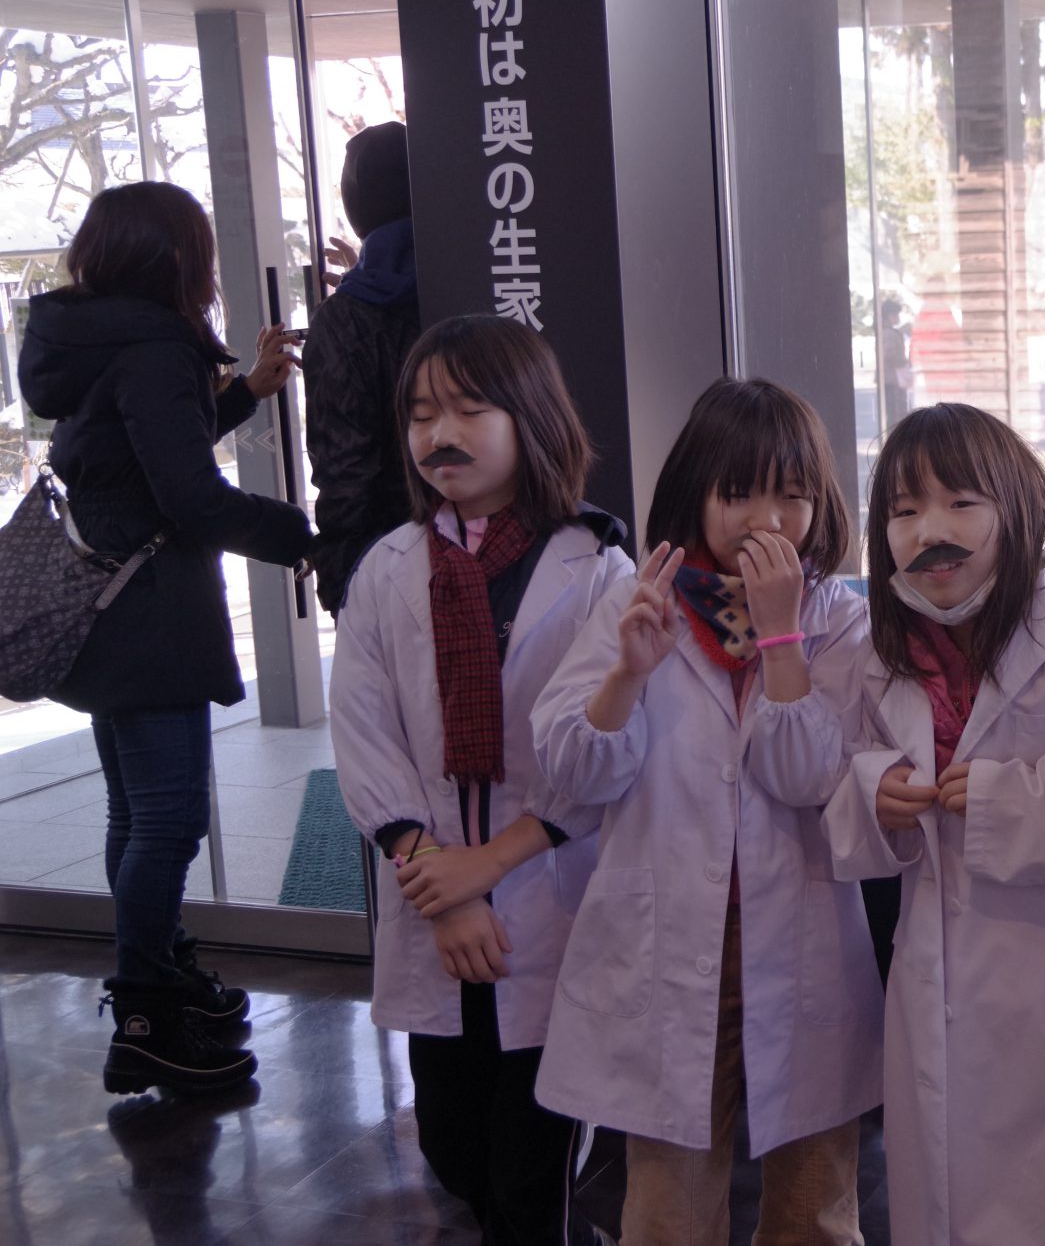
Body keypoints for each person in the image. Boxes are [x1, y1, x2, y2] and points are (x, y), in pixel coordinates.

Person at [823, 403, 1045, 1246]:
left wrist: (1007, 801)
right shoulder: (874, 649)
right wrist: (876, 795)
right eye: (905, 510)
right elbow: (829, 787)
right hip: (940, 998)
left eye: (960, 501)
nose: (930, 531)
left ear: (1017, 505)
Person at [530, 379, 878, 1246]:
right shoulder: (638, 601)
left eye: (790, 493)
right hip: (670, 940)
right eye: (739, 492)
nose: (767, 519)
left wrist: (781, 634)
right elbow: (572, 771)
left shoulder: (840, 618)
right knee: (669, 1213)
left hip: (798, 938)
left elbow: (806, 775)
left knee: (815, 1208)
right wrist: (627, 673)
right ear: (696, 493)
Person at [328, 315, 628, 1244]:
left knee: (532, 1172)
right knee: (453, 1146)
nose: (439, 434)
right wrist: (439, 877)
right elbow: (364, 731)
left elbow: (606, 748)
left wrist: (490, 866)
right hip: (432, 903)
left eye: (468, 408)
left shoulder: (598, 568)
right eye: (421, 414)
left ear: (531, 416)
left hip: (546, 892)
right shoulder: (388, 568)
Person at [17, 181, 311, 1092]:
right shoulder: (154, 347)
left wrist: (243, 393)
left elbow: (138, 446)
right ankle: (145, 1013)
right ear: (178, 257)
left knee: (134, 814)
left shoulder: (94, 337)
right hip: (148, 617)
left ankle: (162, 970)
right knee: (170, 818)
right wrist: (306, 536)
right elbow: (190, 495)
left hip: (105, 609)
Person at [304, 121, 422, 613]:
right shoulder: (478, 276)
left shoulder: (345, 318)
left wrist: (340, 578)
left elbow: (345, 470)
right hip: (498, 551)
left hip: (387, 564)